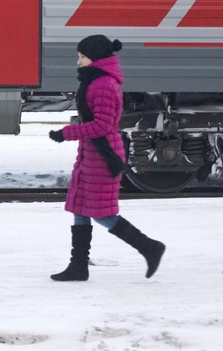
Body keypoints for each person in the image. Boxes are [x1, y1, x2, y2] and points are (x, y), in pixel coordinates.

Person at [47, 35, 166, 282]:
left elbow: (102, 125)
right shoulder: (94, 80)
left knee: (101, 213)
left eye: (82, 57)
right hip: (91, 154)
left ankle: (149, 247)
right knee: (80, 208)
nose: (78, 62)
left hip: (103, 155)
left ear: (95, 58)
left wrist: (65, 133)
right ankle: (78, 266)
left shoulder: (103, 85)